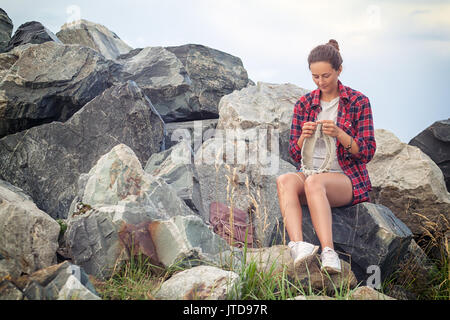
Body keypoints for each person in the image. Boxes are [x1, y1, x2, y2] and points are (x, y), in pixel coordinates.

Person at [276, 39, 376, 274]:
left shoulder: (358, 102)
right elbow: (294, 152)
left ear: (339, 70)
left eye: (326, 76)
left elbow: (367, 152)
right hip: (311, 172)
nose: (321, 82)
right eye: (315, 77)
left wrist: (340, 134)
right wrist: (303, 136)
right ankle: (299, 246)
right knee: (285, 180)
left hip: (345, 178)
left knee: (314, 182)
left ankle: (329, 253)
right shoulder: (304, 104)